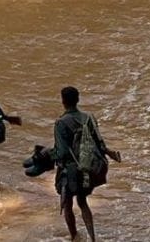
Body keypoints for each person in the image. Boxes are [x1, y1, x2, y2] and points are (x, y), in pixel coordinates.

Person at [52, 86, 123, 242]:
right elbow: (100, 144)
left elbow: (61, 152)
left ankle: (74, 237)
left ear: (63, 101)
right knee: (83, 202)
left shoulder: (61, 123)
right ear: (78, 100)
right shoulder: (89, 118)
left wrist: (47, 156)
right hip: (88, 169)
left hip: (70, 171)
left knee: (68, 205)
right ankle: (92, 238)